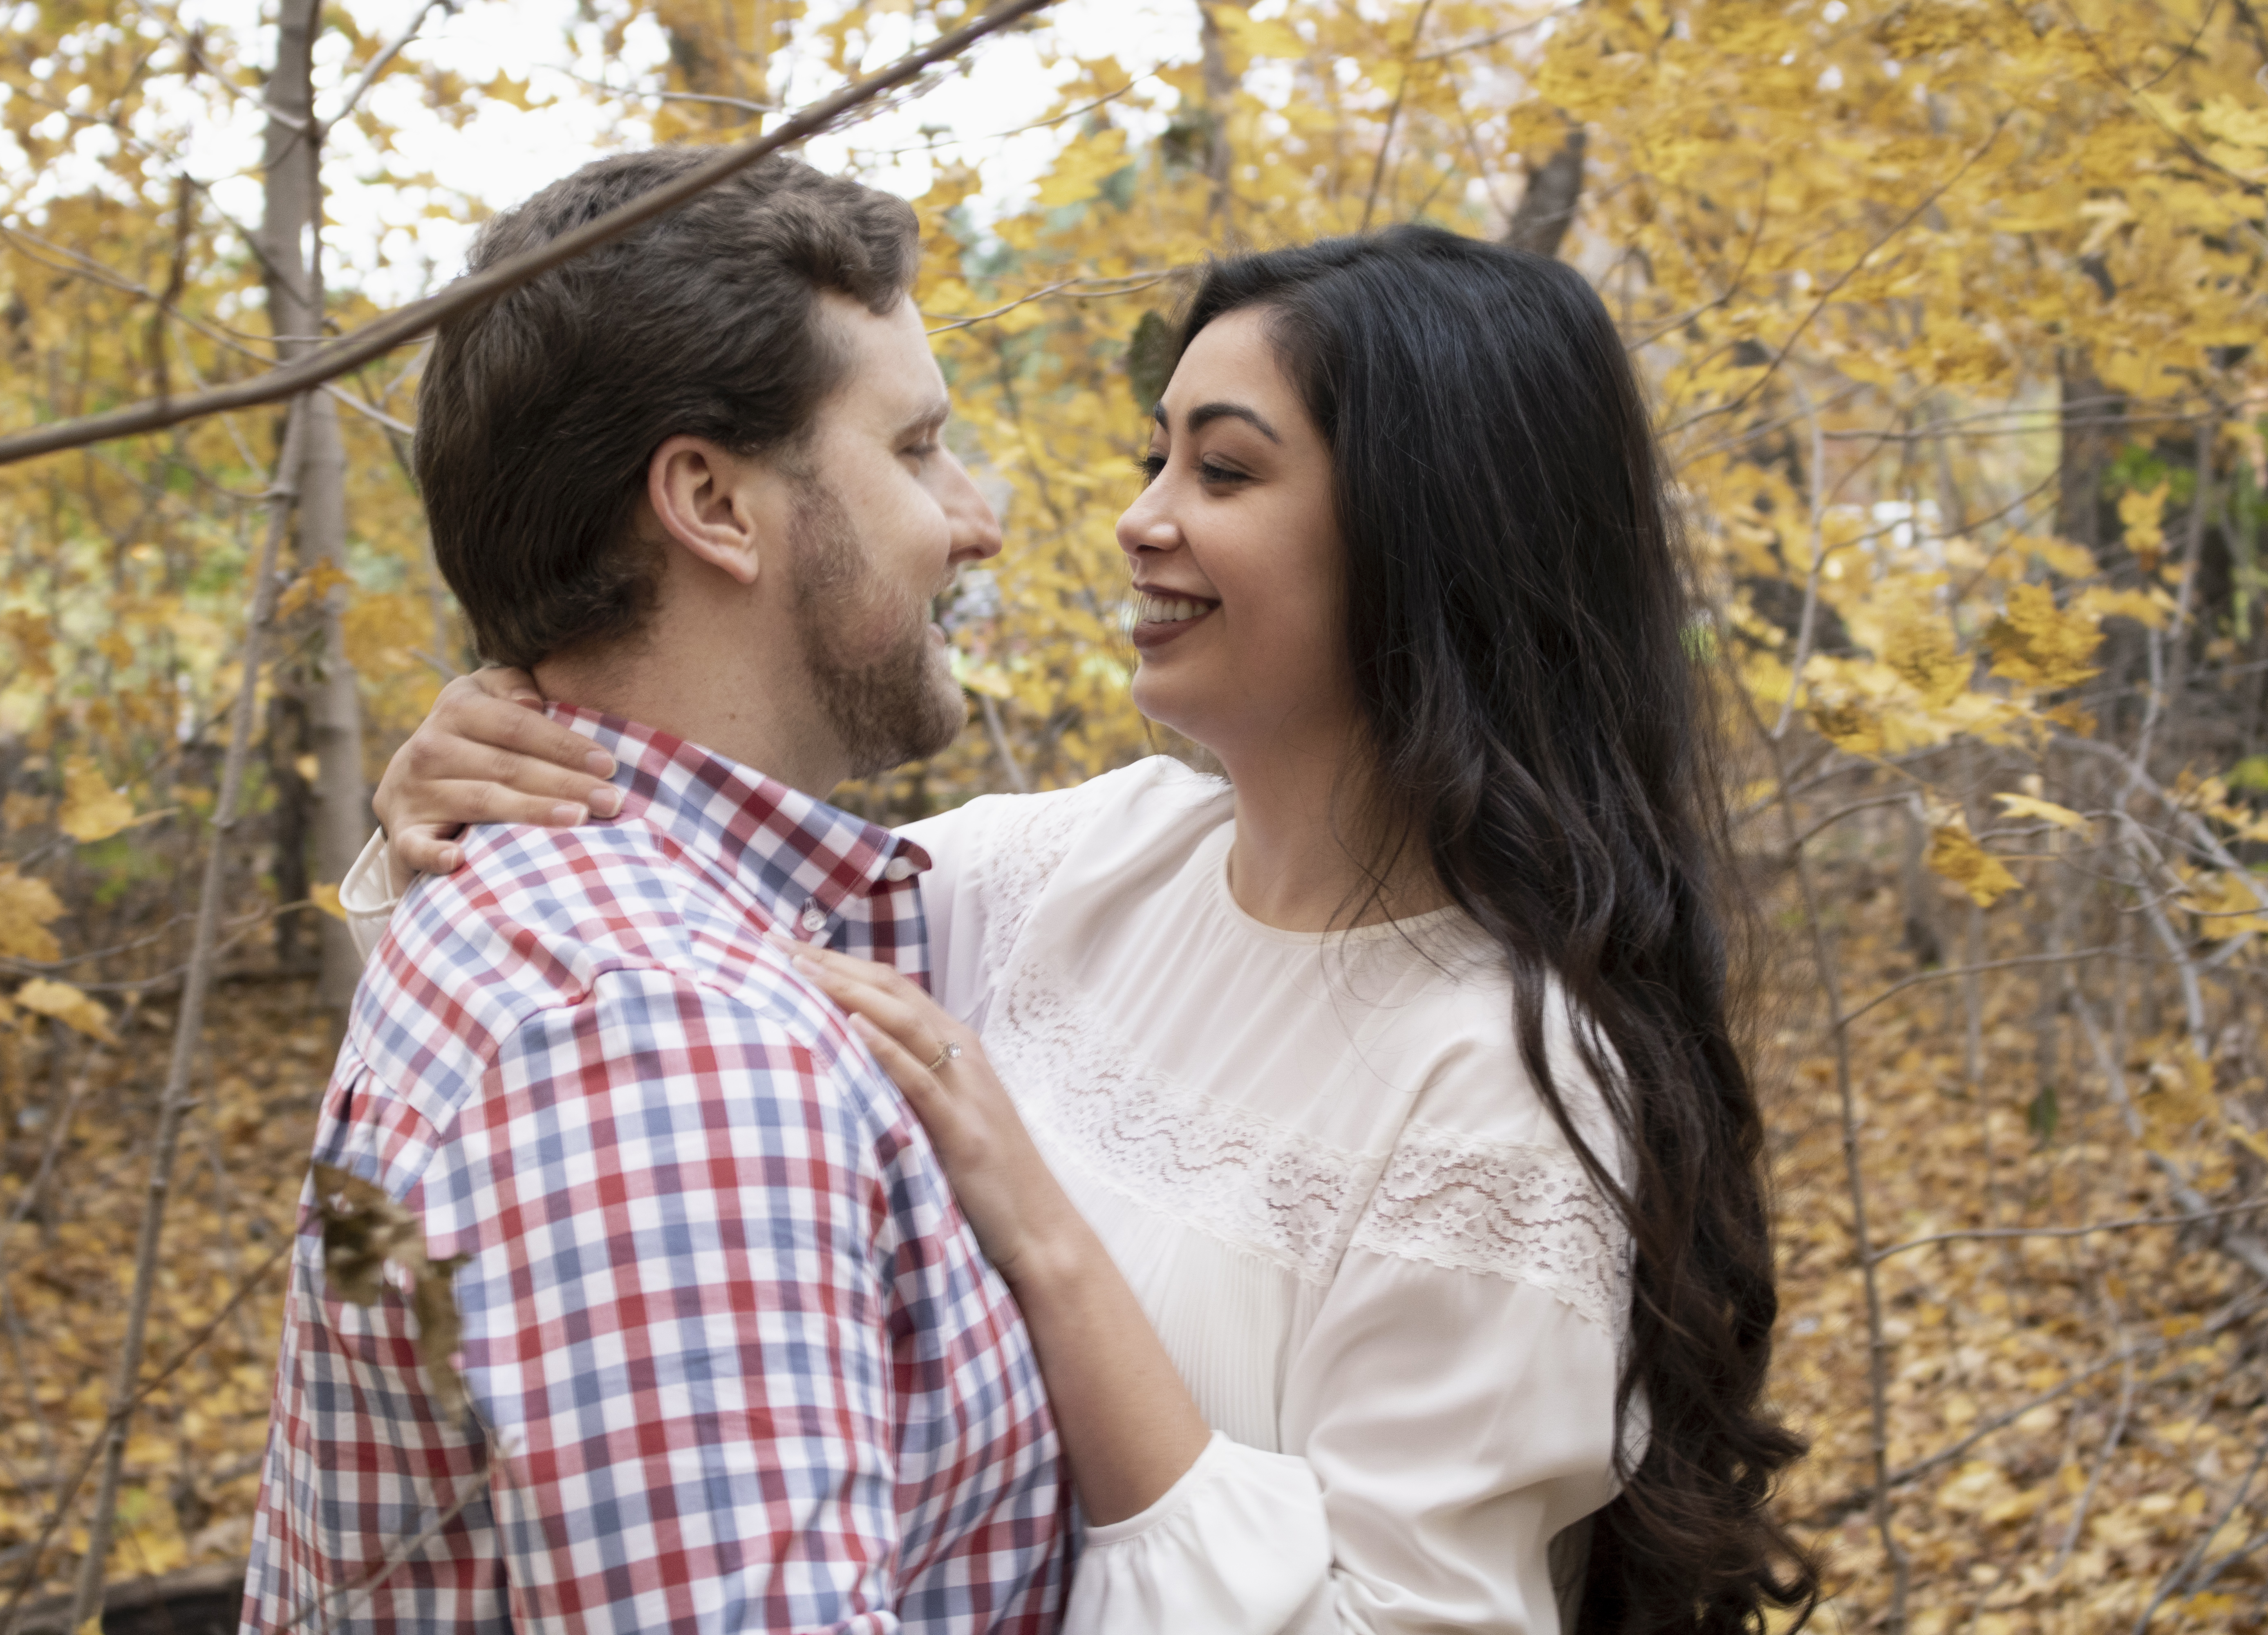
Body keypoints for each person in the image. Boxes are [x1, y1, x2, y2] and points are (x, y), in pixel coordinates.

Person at [354, 227, 1821, 1633]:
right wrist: (480, 778)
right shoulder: (1073, 866)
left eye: (1225, 469)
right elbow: (674, 935)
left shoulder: (1504, 1083)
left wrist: (1047, 1240)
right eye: (1155, 455)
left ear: (1434, 530)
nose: (1141, 519)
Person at [240, 148, 1072, 1635]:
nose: (977, 513)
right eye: (918, 447)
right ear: (711, 501)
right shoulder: (656, 1037)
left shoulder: (569, 931)